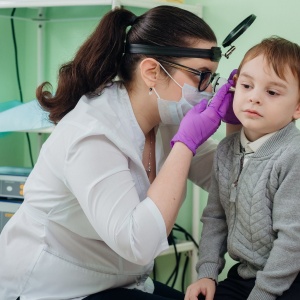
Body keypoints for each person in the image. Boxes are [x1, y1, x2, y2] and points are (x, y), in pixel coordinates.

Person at [0, 5, 238, 300]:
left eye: (212, 78)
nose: (209, 90)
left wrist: (240, 123)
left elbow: (231, 184)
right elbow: (140, 243)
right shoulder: (92, 134)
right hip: (53, 288)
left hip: (120, 281)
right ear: (152, 71)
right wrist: (185, 145)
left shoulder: (166, 119)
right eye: (201, 75)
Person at [185, 36, 300, 300]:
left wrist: (263, 293)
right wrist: (207, 273)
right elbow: (215, 217)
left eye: (272, 92)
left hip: (290, 279)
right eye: (247, 85)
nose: (254, 98)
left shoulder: (294, 154)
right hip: (245, 276)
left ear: (298, 107)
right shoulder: (226, 150)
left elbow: (293, 240)